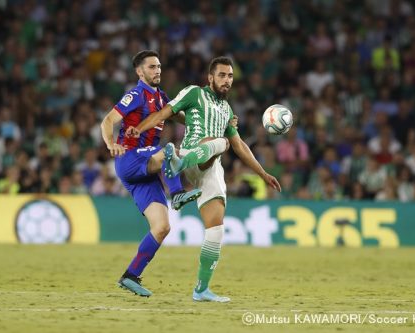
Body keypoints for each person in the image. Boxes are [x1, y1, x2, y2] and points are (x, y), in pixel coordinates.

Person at [127, 56, 281, 302]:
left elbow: (240, 145)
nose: (226, 80)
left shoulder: (227, 111)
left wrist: (262, 174)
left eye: (230, 76)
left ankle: (201, 290)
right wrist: (139, 129)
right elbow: (164, 112)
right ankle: (178, 163)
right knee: (221, 142)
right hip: (190, 154)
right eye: (221, 75)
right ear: (210, 77)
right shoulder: (194, 93)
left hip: (210, 167)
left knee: (216, 229)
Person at [100, 50, 202, 297]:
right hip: (131, 158)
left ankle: (130, 275)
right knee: (168, 149)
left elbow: (182, 118)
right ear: (139, 71)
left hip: (146, 168)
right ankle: (177, 193)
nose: (157, 71)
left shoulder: (161, 97)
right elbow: (108, 120)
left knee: (162, 227)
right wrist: (110, 143)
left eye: (159, 66)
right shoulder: (136, 95)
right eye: (152, 67)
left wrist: (214, 122)